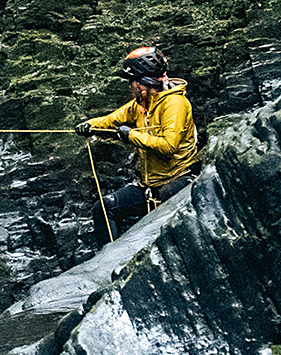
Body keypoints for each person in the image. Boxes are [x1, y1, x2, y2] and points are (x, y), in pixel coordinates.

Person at [75, 46, 200, 244]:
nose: (129, 87)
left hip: (179, 179)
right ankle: (110, 258)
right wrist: (90, 126)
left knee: (167, 200)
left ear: (142, 83)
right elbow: (113, 119)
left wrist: (131, 135)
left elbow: (169, 146)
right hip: (150, 187)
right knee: (104, 207)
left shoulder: (174, 104)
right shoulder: (141, 104)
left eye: (131, 82)